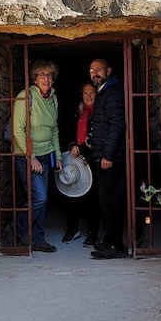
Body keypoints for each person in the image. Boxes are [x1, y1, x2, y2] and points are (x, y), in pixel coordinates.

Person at [12, 59, 62, 253]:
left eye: (49, 75)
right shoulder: (25, 97)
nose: (46, 78)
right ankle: (15, 229)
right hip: (28, 156)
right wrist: (30, 156)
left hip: (46, 155)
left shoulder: (53, 99)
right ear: (34, 78)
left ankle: (38, 239)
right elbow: (18, 130)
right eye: (42, 75)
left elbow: (54, 129)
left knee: (42, 199)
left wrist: (57, 155)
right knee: (39, 198)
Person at [88, 58, 128, 259]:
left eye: (99, 69)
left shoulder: (112, 93)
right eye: (92, 70)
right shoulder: (104, 91)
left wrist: (107, 155)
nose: (95, 73)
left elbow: (117, 125)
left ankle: (115, 244)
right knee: (106, 199)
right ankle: (109, 241)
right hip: (104, 155)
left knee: (112, 200)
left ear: (109, 70)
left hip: (110, 158)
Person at [61, 82, 99, 245]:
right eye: (85, 93)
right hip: (75, 158)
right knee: (71, 193)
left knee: (93, 197)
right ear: (81, 96)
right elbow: (67, 132)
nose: (89, 96)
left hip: (92, 158)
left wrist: (82, 148)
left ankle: (93, 232)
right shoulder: (77, 113)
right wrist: (72, 146)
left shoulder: (100, 112)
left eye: (92, 93)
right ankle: (72, 228)